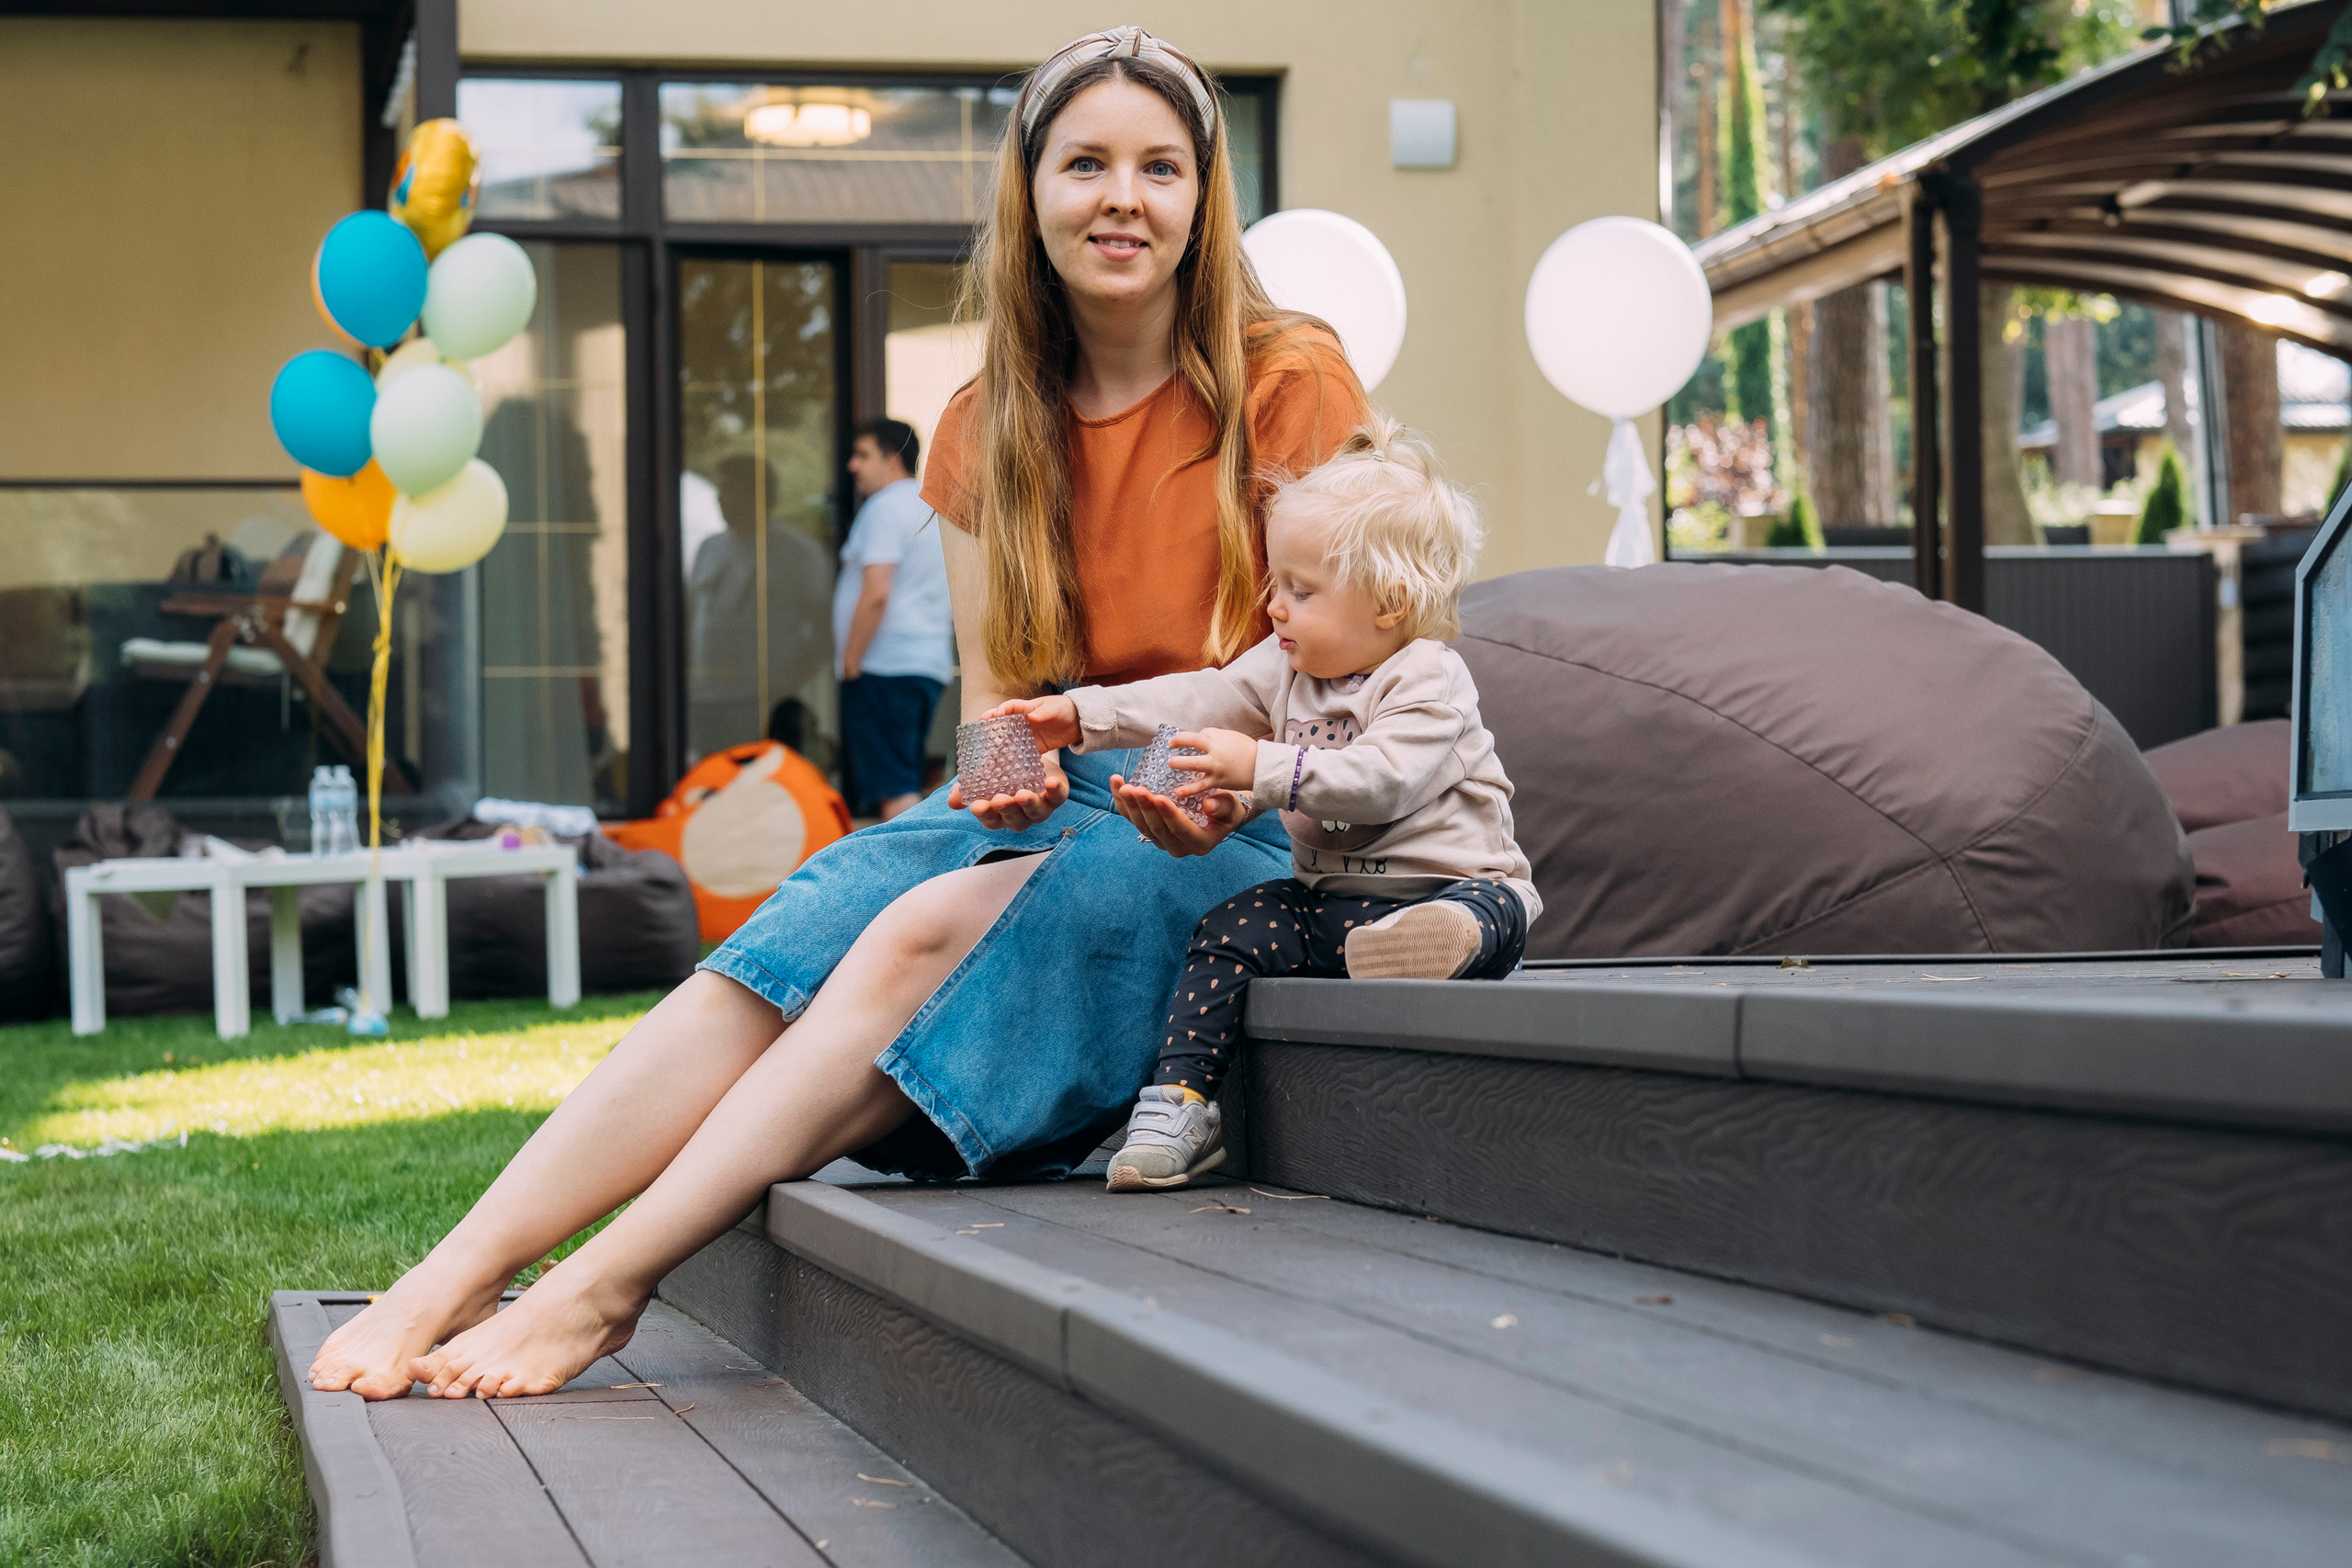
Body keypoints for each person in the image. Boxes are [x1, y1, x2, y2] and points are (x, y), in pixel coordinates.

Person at [306, 24, 1368, 1403]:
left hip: (1240, 821)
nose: (1124, 196)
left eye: (1161, 167)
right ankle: (452, 1270)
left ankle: (600, 1286)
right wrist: (1002, 779)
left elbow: (1345, 666)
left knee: (920, 925)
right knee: (797, 925)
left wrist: (1203, 773)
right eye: (1088, 162)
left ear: (1204, 198)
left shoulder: (1293, 381)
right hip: (1083, 799)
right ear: (1030, 191)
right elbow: (997, 699)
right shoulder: (993, 418)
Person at [999, 421, 1538, 1189]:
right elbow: (1201, 694)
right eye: (1275, 581)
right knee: (1226, 932)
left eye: (1301, 590)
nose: (1273, 606)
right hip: (1334, 907)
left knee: (1494, 907)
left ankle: (1436, 942)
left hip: (1450, 885)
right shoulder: (1284, 666)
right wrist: (1082, 718)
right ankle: (1181, 1103)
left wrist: (1257, 766)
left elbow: (1379, 779)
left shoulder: (1429, 677)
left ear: (1389, 601)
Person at [834, 418, 953, 818]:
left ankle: (918, 880)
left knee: (894, 790)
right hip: (925, 664)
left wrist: (852, 660)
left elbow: (877, 592)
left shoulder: (884, 507)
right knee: (906, 778)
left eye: (863, 455)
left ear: (894, 460)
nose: (853, 466)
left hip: (883, 666)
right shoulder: (936, 508)